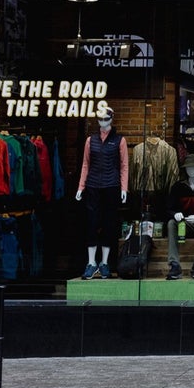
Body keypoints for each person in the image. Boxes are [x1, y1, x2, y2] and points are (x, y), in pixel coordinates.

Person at [76, 106, 128, 280]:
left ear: (112, 119)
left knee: (109, 224)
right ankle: (91, 262)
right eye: (100, 119)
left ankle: (104, 262)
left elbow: (124, 166)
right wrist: (81, 187)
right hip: (93, 186)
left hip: (111, 185)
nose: (103, 123)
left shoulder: (119, 140)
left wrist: (124, 188)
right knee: (91, 223)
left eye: (106, 119)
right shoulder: (91, 140)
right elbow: (85, 164)